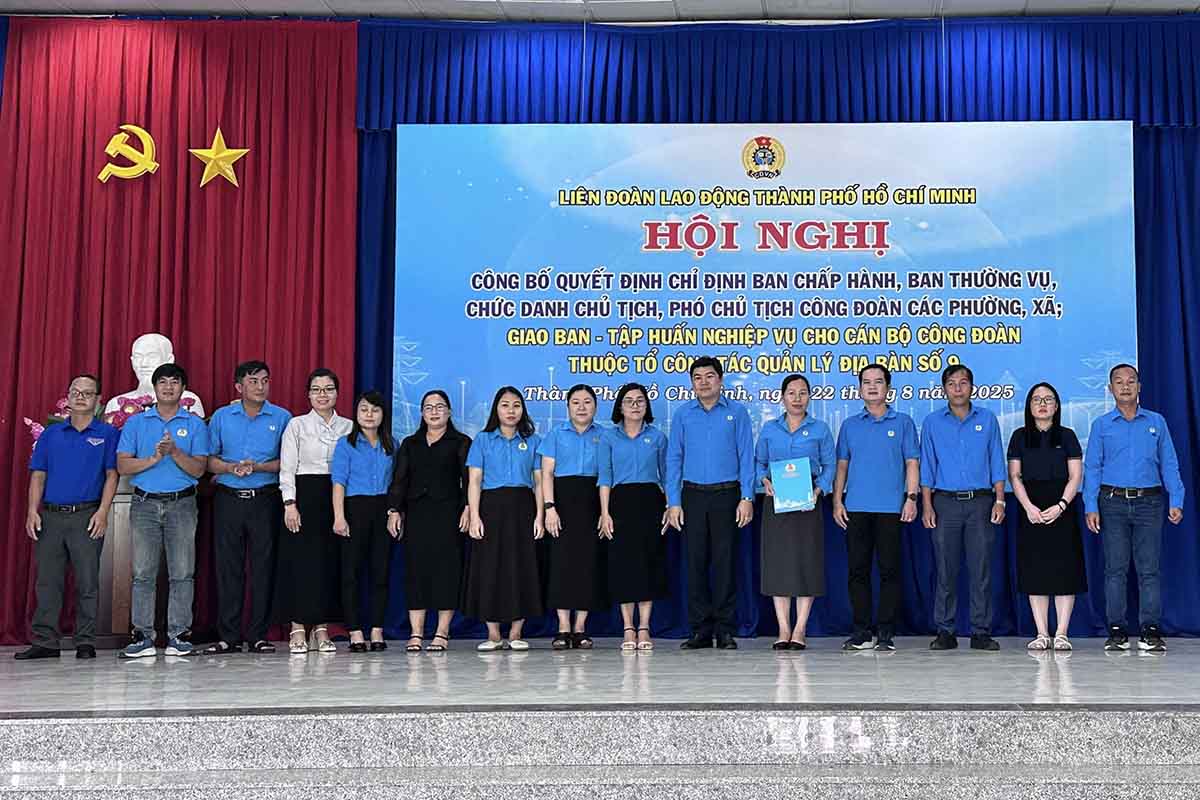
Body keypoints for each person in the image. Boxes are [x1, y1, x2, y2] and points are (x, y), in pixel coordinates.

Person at [1084, 364, 1185, 653]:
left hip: (1150, 503)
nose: (1125, 386)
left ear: (1140, 386)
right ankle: (1116, 630)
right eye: (1119, 382)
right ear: (1110, 389)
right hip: (1112, 502)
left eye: (1131, 381)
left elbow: (1169, 463)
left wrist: (1176, 500)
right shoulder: (1101, 425)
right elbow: (1092, 468)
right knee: (1115, 569)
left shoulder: (1157, 422)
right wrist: (1091, 505)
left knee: (1149, 570)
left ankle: (1150, 630)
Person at [17, 374, 119, 661]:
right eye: (75, 391)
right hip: (50, 516)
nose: (80, 396)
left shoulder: (108, 434)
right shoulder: (51, 433)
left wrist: (103, 511)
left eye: (88, 393)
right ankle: (46, 641)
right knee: (47, 581)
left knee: (87, 581)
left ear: (98, 400)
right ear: (68, 397)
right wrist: (31, 511)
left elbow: (112, 475)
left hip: (87, 515)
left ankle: (85, 640)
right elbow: (38, 474)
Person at [116, 364, 210, 658]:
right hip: (144, 503)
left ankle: (178, 635)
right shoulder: (137, 423)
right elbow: (123, 466)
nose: (168, 387)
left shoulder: (195, 424)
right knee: (143, 573)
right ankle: (142, 637)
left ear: (183, 389)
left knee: (182, 572)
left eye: (175, 382)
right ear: (154, 388)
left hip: (182, 504)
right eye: (163, 382)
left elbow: (198, 470)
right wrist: (155, 457)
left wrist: (175, 452)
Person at [665, 356, 755, 650]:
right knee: (695, 563)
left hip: (727, 495)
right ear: (692, 383)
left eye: (709, 376)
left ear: (720, 380)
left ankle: (725, 629)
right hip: (692, 495)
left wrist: (746, 497)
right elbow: (674, 459)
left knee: (725, 563)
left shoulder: (737, 413)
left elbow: (746, 457)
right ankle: (700, 629)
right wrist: (673, 502)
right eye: (697, 377)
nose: (703, 382)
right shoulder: (683, 415)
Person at [205, 360, 292, 655]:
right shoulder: (221, 416)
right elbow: (209, 460)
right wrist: (230, 468)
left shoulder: (281, 417)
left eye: (265, 380)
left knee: (263, 569)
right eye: (254, 381)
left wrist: (258, 466)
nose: (261, 386)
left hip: (265, 499)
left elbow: (288, 461)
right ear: (239, 387)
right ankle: (228, 636)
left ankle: (257, 635)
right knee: (228, 568)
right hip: (228, 499)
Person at [832, 364, 920, 652]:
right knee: (857, 572)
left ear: (888, 388)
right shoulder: (850, 425)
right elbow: (842, 465)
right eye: (866, 382)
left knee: (889, 571)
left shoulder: (903, 422)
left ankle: (885, 633)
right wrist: (836, 500)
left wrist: (912, 497)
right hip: (856, 507)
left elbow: (912, 463)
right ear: (859, 389)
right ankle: (861, 632)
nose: (872, 387)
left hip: (891, 509)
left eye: (878, 382)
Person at [920, 364, 1006, 652]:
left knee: (980, 569)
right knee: (945, 569)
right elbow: (928, 467)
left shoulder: (987, 419)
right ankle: (945, 630)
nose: (958, 388)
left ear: (972, 387)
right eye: (952, 383)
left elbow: (996, 460)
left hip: (981, 502)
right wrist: (927, 505)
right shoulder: (933, 422)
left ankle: (980, 631)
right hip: (944, 502)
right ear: (944, 388)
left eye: (963, 382)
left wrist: (1000, 499)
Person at [755, 374, 834, 651]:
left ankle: (800, 628)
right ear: (783, 397)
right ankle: (783, 628)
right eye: (791, 393)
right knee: (778, 564)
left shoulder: (820, 429)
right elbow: (759, 463)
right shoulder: (769, 429)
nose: (797, 398)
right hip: (776, 502)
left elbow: (830, 466)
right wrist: (763, 481)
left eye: (802, 393)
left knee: (806, 563)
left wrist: (819, 490)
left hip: (808, 500)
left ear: (809, 397)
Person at [387, 390, 470, 653]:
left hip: (449, 514)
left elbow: (470, 480)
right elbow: (400, 480)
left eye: (440, 407)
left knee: (447, 572)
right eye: (428, 407)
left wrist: (469, 507)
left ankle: (442, 633)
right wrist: (393, 510)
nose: (434, 412)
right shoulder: (411, 444)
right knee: (416, 572)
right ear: (421, 413)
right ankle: (416, 633)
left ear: (449, 412)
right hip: (417, 515)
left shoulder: (461, 442)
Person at [462, 386, 544, 651]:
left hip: (523, 507)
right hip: (491, 507)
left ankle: (517, 632)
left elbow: (539, 482)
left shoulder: (532, 440)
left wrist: (540, 516)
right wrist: (475, 516)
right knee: (490, 568)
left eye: (516, 405)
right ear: (496, 409)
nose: (511, 411)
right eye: (505, 405)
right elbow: (474, 481)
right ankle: (494, 633)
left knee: (522, 566)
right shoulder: (483, 440)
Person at [1008, 383, 1086, 652]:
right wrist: (1028, 507)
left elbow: (1076, 475)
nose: (1042, 404)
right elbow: (1015, 476)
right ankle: (1042, 633)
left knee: (1065, 570)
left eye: (1048, 399)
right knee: (1036, 570)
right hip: (1030, 507)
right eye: (1036, 399)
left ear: (1056, 405)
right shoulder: (1019, 436)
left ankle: (1062, 632)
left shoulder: (1067, 435)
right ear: (1029, 406)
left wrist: (1062, 504)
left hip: (1062, 506)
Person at [277, 368, 350, 655]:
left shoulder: (348, 426)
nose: (323, 395)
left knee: (328, 564)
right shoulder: (297, 425)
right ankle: (297, 627)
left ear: (337, 393)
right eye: (317, 389)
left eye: (328, 389)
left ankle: (321, 628)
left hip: (337, 497)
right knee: (302, 563)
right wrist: (289, 503)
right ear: (308, 394)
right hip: (304, 497)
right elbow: (287, 468)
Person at [598, 383, 668, 652]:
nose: (635, 405)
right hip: (620, 503)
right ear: (620, 406)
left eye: (640, 401)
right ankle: (628, 626)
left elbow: (666, 474)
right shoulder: (609, 438)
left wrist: (669, 506)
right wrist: (604, 513)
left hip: (650, 502)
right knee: (624, 566)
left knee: (648, 564)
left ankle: (644, 627)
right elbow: (605, 477)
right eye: (629, 401)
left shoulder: (658, 437)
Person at [540, 384, 606, 650]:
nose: (581, 407)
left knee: (587, 564)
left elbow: (608, 475)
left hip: (592, 501)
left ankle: (580, 627)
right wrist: (549, 507)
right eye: (576, 402)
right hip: (562, 503)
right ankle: (563, 626)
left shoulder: (605, 435)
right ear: (567, 407)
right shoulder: (556, 434)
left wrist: (604, 511)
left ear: (595, 406)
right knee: (562, 563)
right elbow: (546, 474)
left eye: (587, 402)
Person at [332, 391, 397, 652]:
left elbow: (397, 484)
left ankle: (377, 629)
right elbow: (339, 482)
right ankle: (355, 631)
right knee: (352, 573)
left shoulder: (392, 444)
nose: (369, 415)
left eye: (375, 410)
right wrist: (339, 516)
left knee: (380, 572)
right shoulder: (346, 444)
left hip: (382, 509)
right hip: (354, 508)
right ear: (356, 414)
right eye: (364, 409)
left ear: (383, 415)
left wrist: (395, 511)